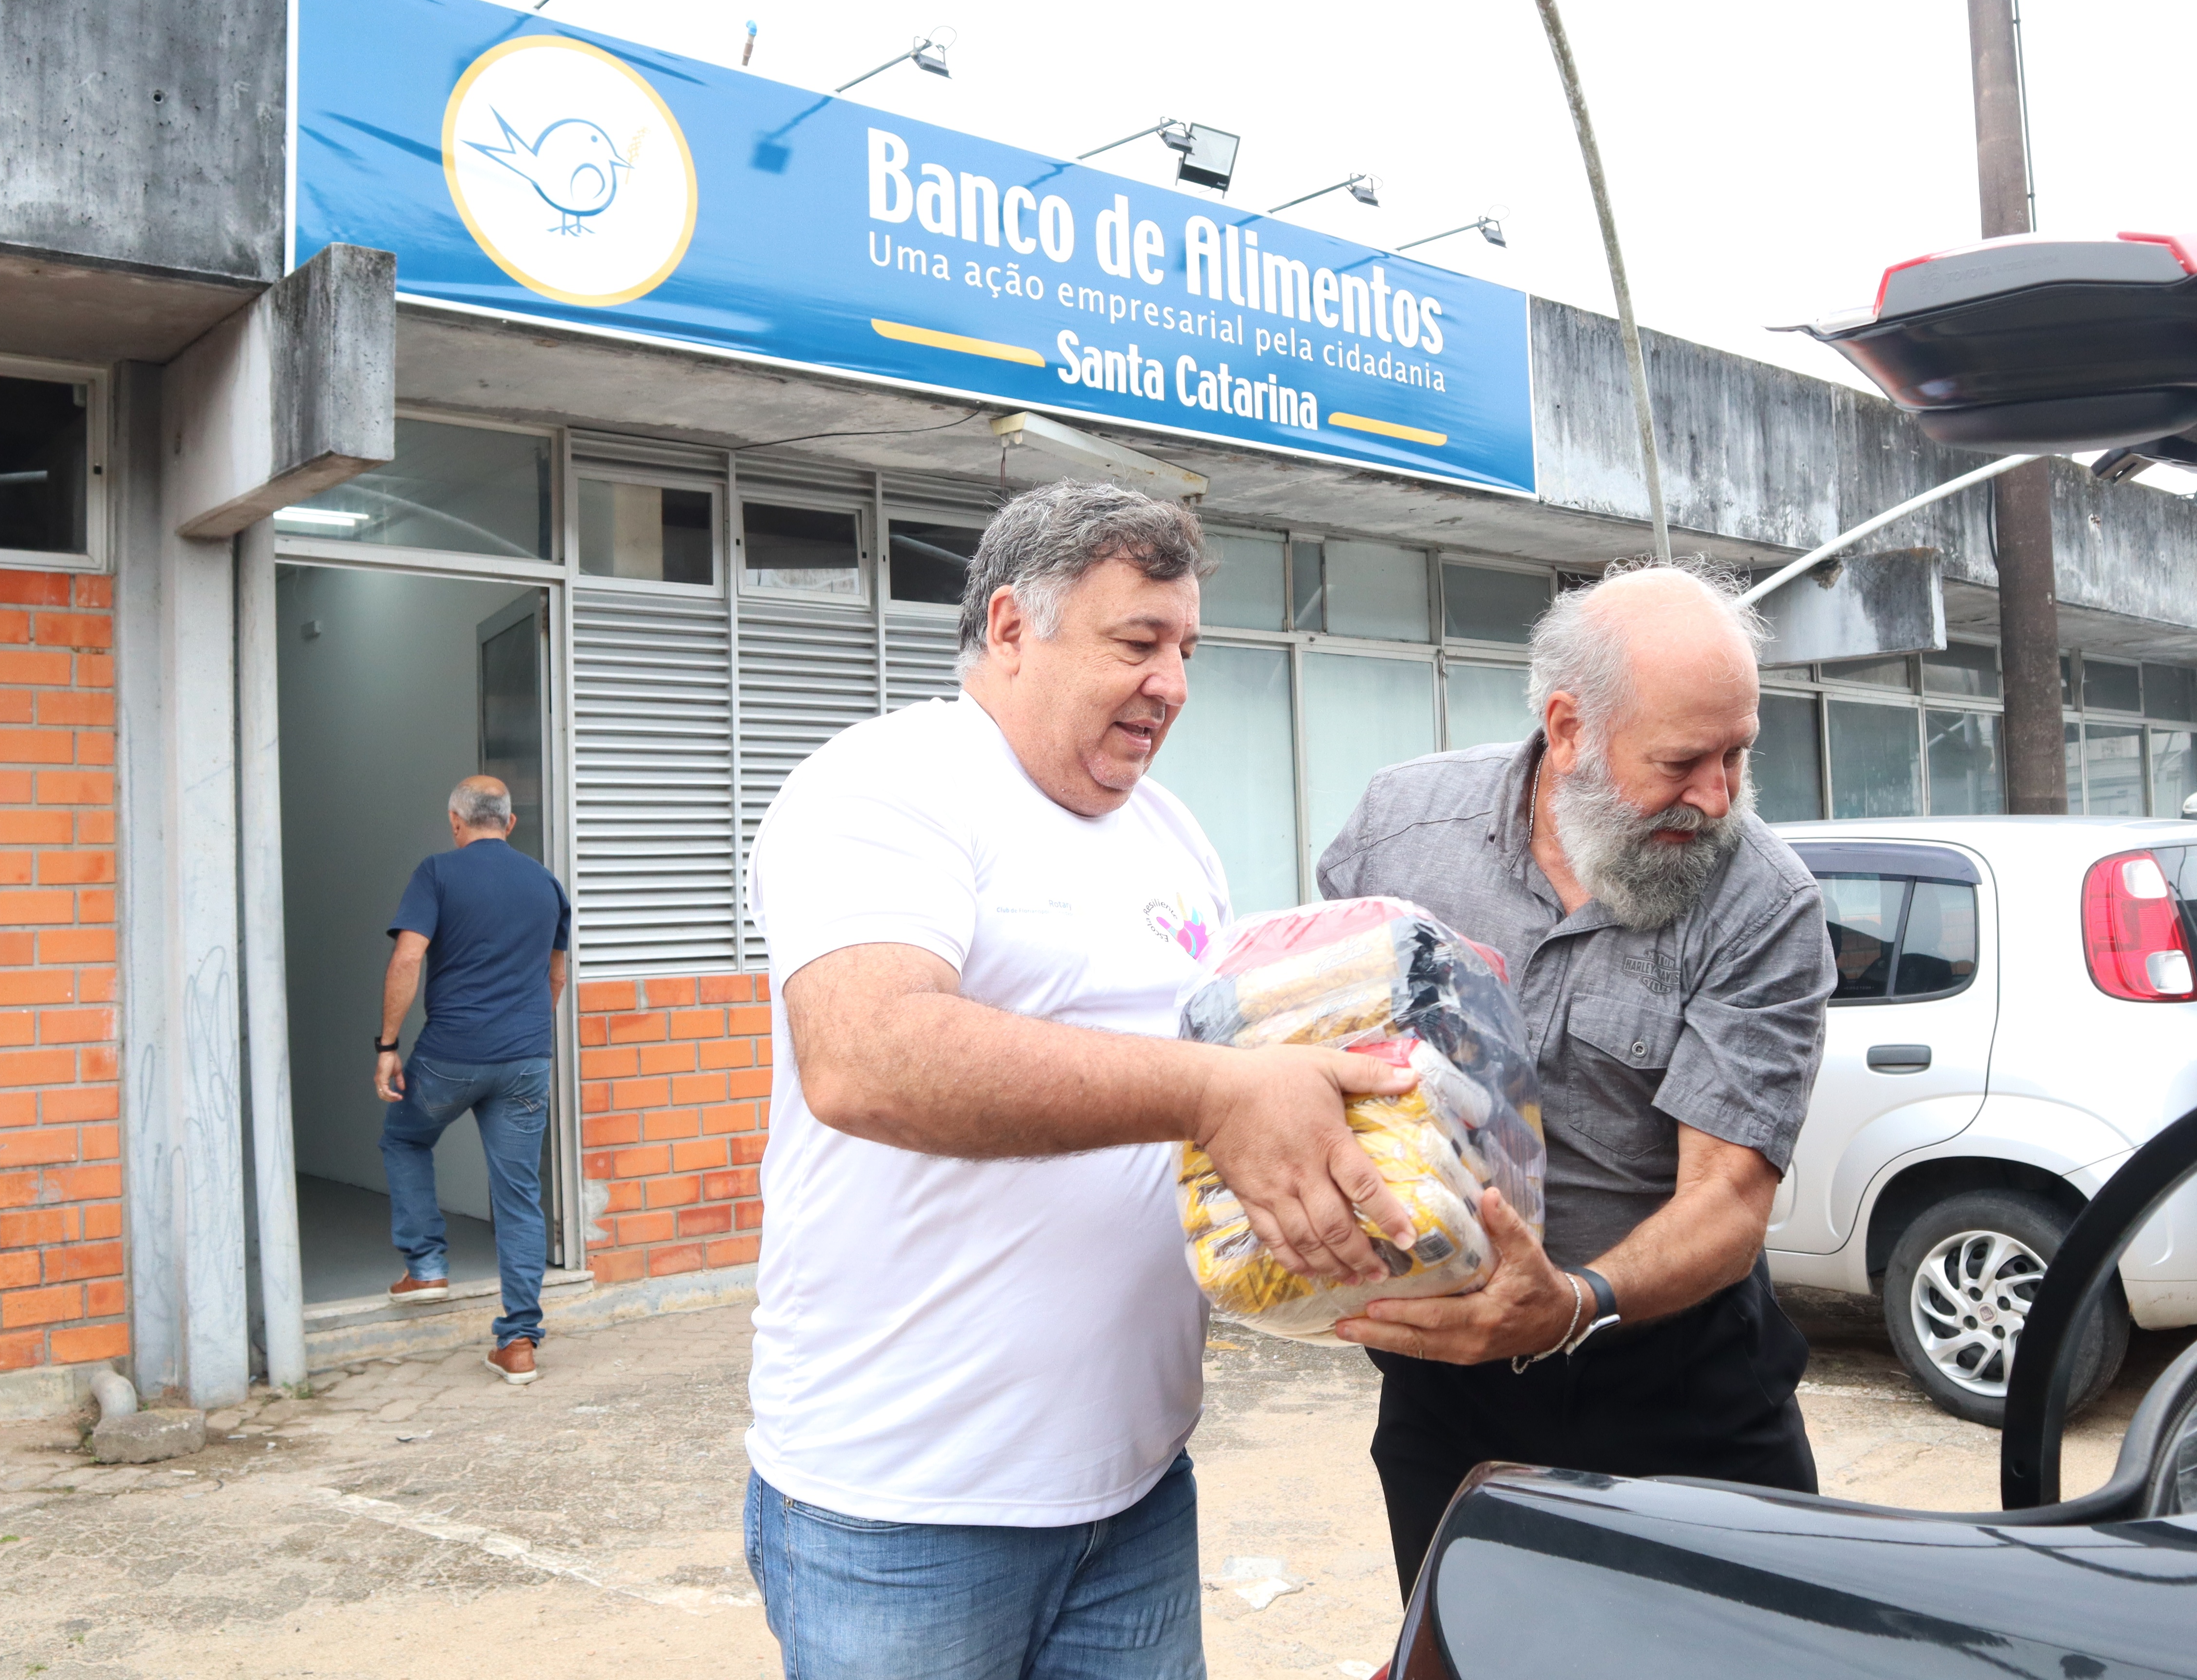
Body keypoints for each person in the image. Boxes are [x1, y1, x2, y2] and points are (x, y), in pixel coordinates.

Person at [739, 480, 1421, 1680]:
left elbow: (1212, 1090)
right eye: (1138, 642)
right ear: (1012, 627)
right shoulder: (886, 784)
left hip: (1137, 1490)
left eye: (1187, 649)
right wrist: (1213, 1093)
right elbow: (865, 1058)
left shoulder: (1173, 835)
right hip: (905, 1508)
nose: (1173, 683)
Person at [1316, 561, 1835, 1595]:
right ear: (1567, 731)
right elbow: (1321, 1042)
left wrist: (1573, 1303)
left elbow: (1728, 1199)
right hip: (1448, 1386)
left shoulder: (1764, 903)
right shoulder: (1401, 833)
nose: (1718, 798)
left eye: (1738, 753)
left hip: (1678, 1385)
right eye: (1682, 761)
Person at [376, 774, 571, 1387]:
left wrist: (387, 1046)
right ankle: (519, 1343)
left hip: (452, 1055)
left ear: (456, 822)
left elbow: (408, 957)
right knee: (518, 1194)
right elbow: (556, 976)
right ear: (510, 823)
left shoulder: (437, 873)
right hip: (526, 1059)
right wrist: (526, 1035)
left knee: (405, 1137)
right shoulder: (546, 883)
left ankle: (427, 1265)